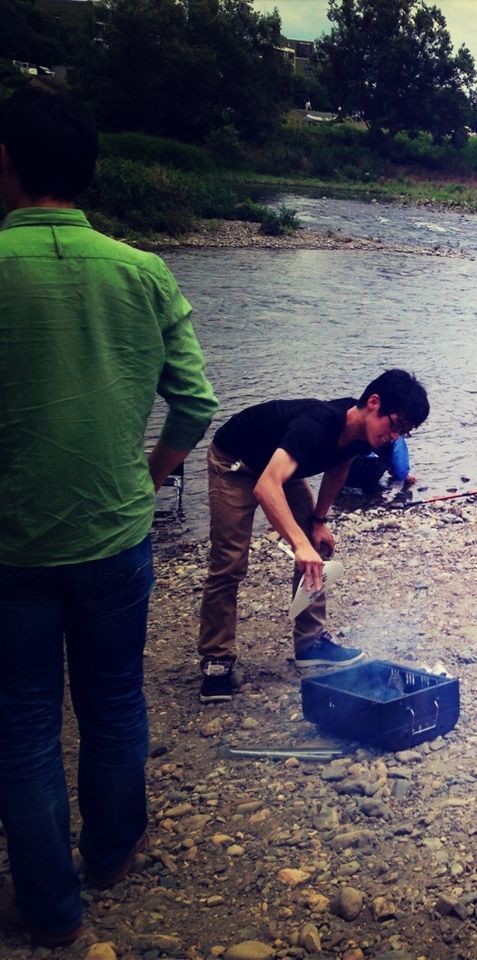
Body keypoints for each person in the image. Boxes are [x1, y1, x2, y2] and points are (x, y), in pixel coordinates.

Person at [0, 87, 218, 946]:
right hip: (116, 536)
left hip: (10, 547)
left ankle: (51, 909)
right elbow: (197, 402)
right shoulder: (143, 271)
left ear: (6, 162)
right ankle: (114, 851)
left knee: (21, 720)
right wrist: (154, 470)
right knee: (115, 698)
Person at [196, 369, 429, 702]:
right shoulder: (316, 425)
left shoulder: (363, 435)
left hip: (282, 465)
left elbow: (339, 469)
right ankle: (216, 658)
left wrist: (319, 520)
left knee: (318, 545)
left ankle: (311, 643)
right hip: (236, 461)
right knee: (230, 560)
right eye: (395, 425)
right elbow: (266, 487)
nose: (395, 437)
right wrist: (298, 543)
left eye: (404, 432)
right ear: (373, 403)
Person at [346, 436, 415, 496]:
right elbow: (400, 467)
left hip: (345, 475)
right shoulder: (393, 433)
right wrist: (404, 476)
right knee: (395, 443)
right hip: (368, 476)